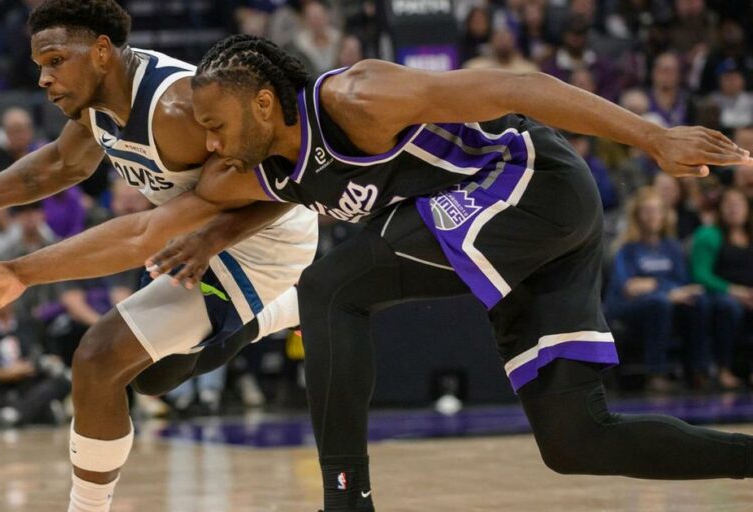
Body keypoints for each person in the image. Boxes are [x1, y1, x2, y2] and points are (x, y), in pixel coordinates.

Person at [148, 34, 753, 512]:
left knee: (330, 288)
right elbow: (286, 189)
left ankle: (345, 499)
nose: (208, 140)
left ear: (262, 103)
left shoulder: (360, 96)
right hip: (528, 231)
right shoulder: (267, 165)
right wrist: (210, 237)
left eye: (215, 124)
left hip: (533, 185)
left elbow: (523, 85)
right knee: (576, 440)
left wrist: (652, 137)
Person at [0, 2, 317, 511]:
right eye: (39, 67)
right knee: (150, 378)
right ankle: (280, 312)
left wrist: (19, 272)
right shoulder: (99, 101)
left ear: (101, 52)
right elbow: (58, 164)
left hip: (263, 240)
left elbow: (142, 233)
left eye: (55, 60)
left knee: (97, 359)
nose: (44, 79)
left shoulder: (177, 110)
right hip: (194, 238)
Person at [604, 188, 719, 391]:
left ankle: (697, 370)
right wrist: (664, 289)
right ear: (637, 215)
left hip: (664, 302)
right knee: (659, 303)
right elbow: (629, 288)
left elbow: (683, 282)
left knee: (698, 301)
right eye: (647, 211)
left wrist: (655, 286)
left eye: (657, 210)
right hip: (625, 306)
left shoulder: (671, 246)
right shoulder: (626, 247)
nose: (652, 216)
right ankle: (655, 373)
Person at [690, 188, 753, 383]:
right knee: (728, 307)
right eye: (729, 204)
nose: (734, 209)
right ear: (720, 209)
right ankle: (723, 368)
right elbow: (701, 274)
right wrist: (733, 291)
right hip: (720, 294)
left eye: (738, 204)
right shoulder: (708, 235)